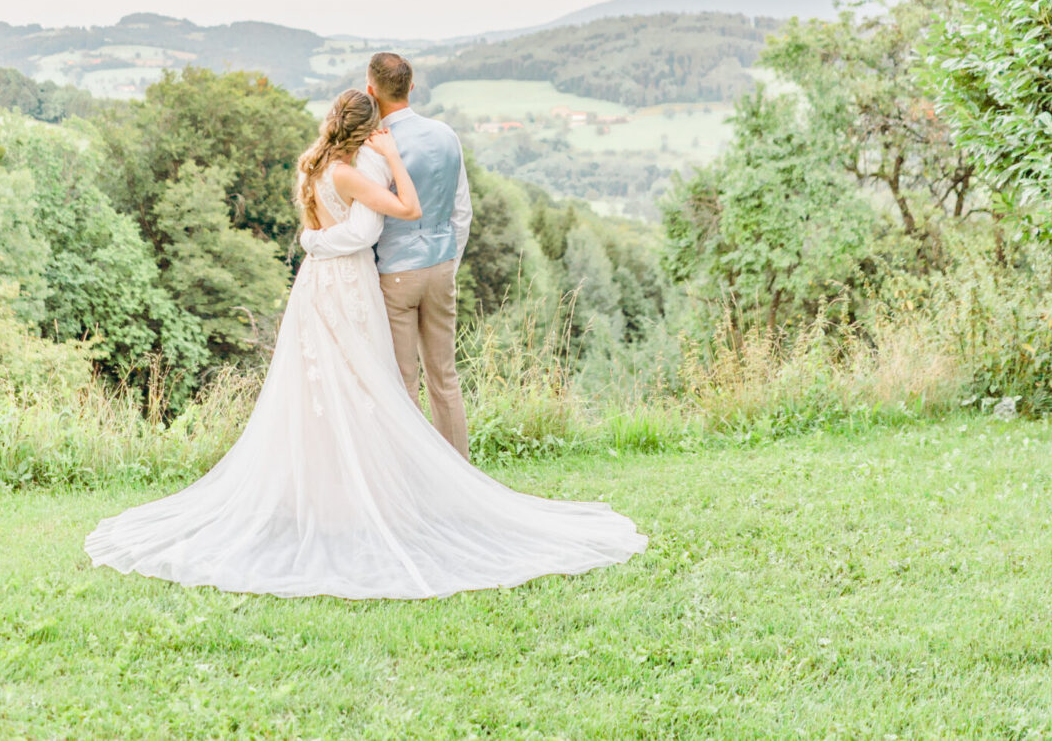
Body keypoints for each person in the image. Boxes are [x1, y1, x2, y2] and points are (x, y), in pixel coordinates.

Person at [83, 87, 646, 599]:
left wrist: (309, 239)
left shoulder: (315, 164)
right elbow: (378, 225)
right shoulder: (354, 172)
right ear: (364, 130)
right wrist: (378, 180)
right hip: (347, 280)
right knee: (366, 384)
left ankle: (333, 498)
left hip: (317, 286)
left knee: (326, 387)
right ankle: (372, 496)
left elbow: (319, 224)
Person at [298, 52, 471, 456]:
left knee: (403, 381)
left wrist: (316, 243)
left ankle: (414, 474)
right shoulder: (447, 135)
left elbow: (366, 226)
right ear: (411, 87)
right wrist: (449, 262)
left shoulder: (374, 150)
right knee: (445, 378)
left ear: (372, 91)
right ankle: (461, 473)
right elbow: (462, 212)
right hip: (442, 267)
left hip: (395, 275)